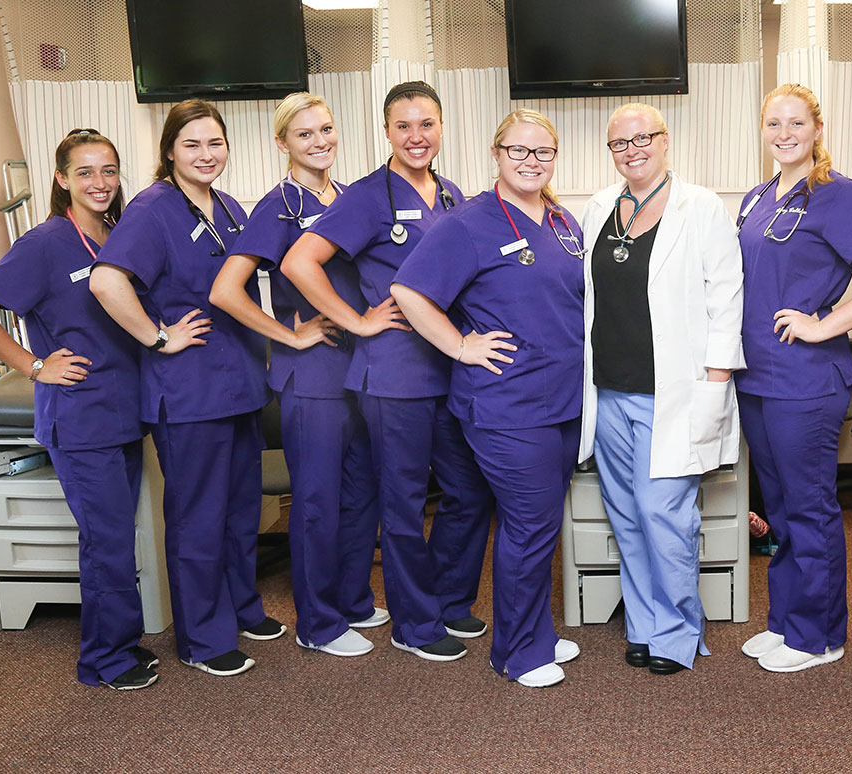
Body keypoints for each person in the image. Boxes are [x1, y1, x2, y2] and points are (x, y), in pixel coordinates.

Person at [281, 81, 492, 663]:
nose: (416, 137)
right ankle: (414, 624)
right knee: (401, 501)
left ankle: (447, 600)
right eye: (403, 126)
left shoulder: (452, 196)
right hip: (394, 373)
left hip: (450, 367)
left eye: (426, 124)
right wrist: (358, 321)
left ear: (443, 127)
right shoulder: (368, 196)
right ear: (386, 132)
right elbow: (301, 262)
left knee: (469, 491)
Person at [0, 129, 160, 690]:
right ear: (62, 179)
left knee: (116, 535)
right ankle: (105, 661)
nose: (100, 183)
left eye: (110, 171)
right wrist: (33, 365)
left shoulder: (117, 235)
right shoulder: (46, 242)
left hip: (123, 409)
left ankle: (117, 644)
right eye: (86, 172)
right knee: (108, 539)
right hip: (80, 414)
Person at [391, 109, 585, 688]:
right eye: (519, 151)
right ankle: (518, 652)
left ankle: (536, 634)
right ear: (496, 153)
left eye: (542, 152)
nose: (531, 161)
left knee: (543, 525)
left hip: (564, 402)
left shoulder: (562, 220)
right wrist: (460, 345)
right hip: (506, 405)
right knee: (527, 524)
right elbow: (407, 290)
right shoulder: (469, 222)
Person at [90, 100, 283, 677]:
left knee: (241, 509)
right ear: (170, 150)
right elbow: (105, 281)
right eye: (193, 144)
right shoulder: (152, 210)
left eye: (215, 143)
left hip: (240, 385)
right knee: (200, 515)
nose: (206, 154)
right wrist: (157, 338)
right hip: (190, 391)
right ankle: (202, 637)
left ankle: (241, 606)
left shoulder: (226, 206)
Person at [735, 84, 852, 673]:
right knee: (780, 506)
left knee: (809, 504)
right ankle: (787, 620)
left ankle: (819, 634)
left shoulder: (836, 195)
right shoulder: (758, 198)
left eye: (795, 123)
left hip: (806, 377)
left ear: (817, 129)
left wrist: (824, 325)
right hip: (756, 374)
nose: (783, 134)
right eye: (773, 124)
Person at [209, 92, 386, 659]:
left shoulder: (351, 196)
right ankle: (319, 621)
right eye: (305, 134)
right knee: (316, 499)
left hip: (361, 367)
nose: (320, 141)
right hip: (312, 375)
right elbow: (225, 290)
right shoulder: (277, 205)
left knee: (361, 493)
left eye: (326, 129)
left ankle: (353, 599)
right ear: (282, 142)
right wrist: (287, 334)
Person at [576, 103, 745, 675]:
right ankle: (646, 625)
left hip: (671, 392)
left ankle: (677, 632)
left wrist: (718, 380)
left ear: (664, 140)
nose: (632, 150)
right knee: (625, 513)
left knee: (664, 513)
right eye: (619, 143)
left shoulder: (701, 206)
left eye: (642, 138)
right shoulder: (600, 207)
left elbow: (727, 294)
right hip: (608, 392)